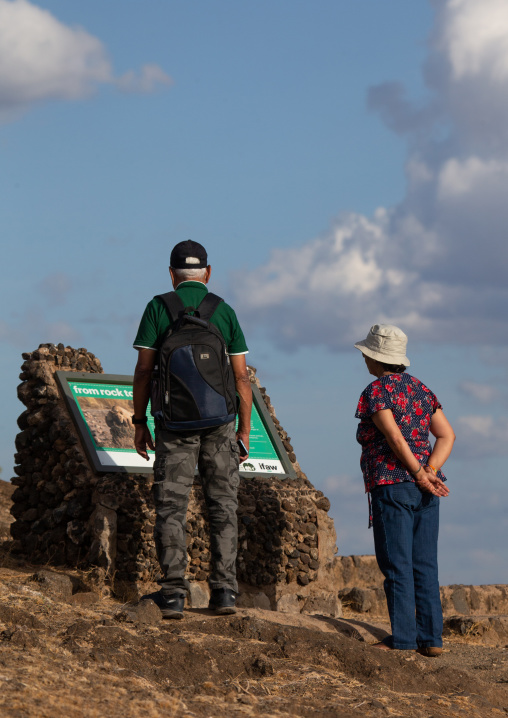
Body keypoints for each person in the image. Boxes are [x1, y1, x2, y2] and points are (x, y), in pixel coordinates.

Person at [132, 240, 252, 619]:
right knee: (223, 507)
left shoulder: (158, 308)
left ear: (171, 274)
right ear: (208, 272)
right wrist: (244, 430)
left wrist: (140, 421)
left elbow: (144, 370)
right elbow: (241, 378)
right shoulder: (224, 311)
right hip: (220, 426)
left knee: (171, 507)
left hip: (174, 425)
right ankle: (225, 594)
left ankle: (172, 596)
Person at [354, 324, 455, 656]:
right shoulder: (422, 390)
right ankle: (432, 638)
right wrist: (430, 472)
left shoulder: (376, 391)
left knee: (397, 563)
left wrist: (417, 473)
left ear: (374, 357)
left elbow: (394, 438)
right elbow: (446, 435)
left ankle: (404, 639)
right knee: (424, 563)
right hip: (426, 487)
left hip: (392, 482)